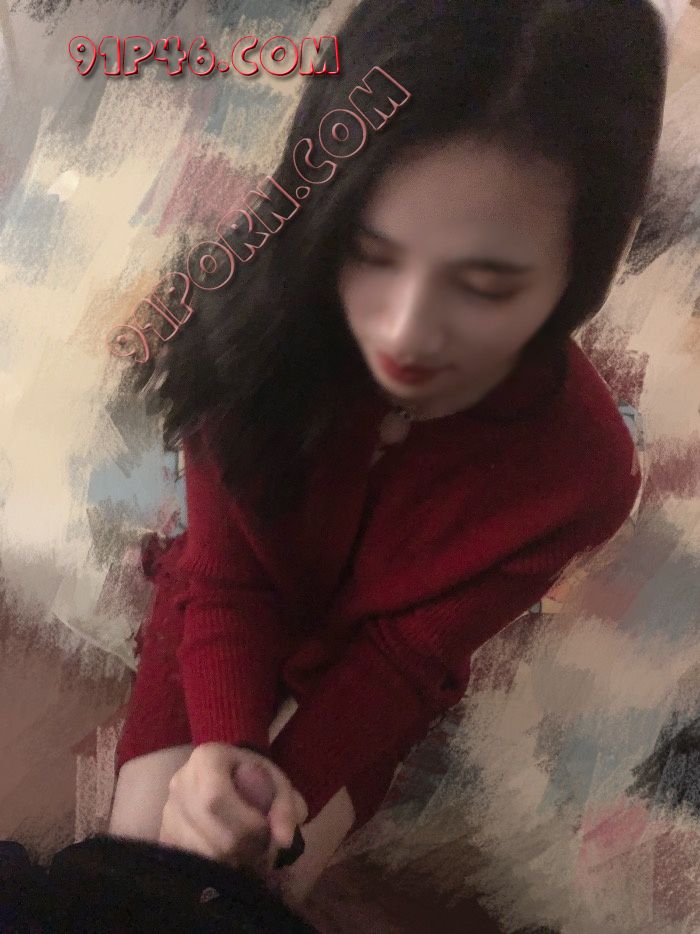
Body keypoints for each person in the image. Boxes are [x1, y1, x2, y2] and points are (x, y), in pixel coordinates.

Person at [107, 0, 667, 912]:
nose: (403, 335)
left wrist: (274, 798)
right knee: (135, 871)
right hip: (222, 609)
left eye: (485, 286)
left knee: (247, 885)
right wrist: (225, 752)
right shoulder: (247, 318)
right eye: (369, 254)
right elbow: (225, 578)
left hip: (369, 678)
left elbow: (402, 661)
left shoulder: (582, 474)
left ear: (580, 271)